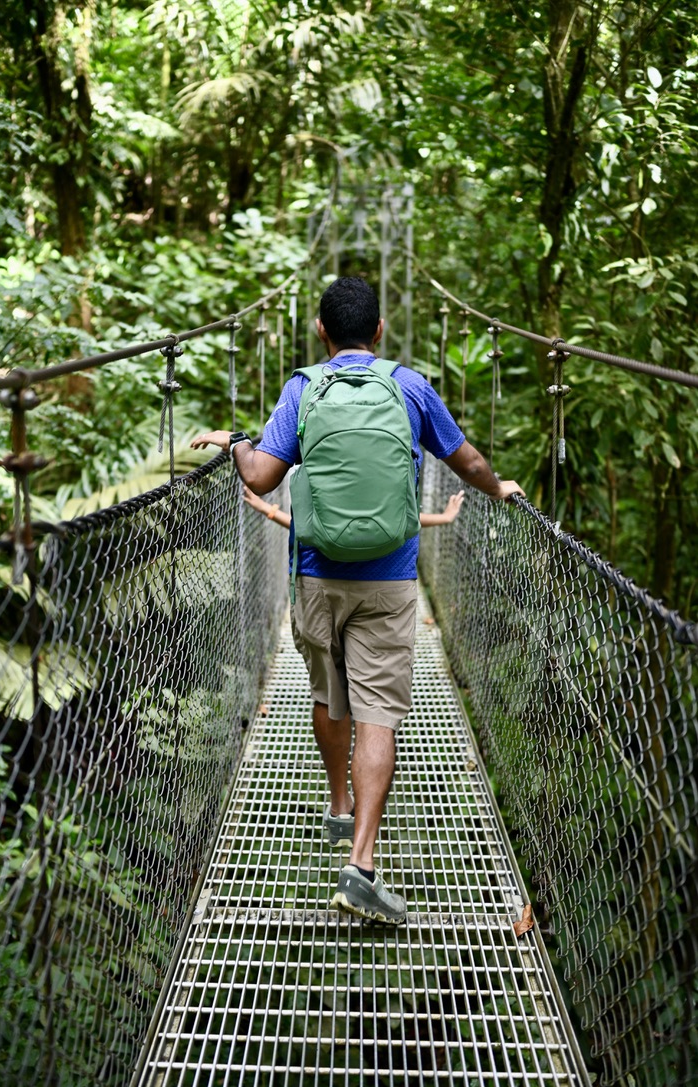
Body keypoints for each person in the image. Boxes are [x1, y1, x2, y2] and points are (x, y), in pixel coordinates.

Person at [191, 275, 524, 925]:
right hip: (391, 581)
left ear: (320, 332)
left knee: (326, 696)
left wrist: (236, 441)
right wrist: (494, 487)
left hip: (316, 575)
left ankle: (337, 804)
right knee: (377, 714)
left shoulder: (301, 388)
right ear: (378, 332)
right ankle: (362, 866)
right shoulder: (409, 385)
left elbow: (259, 473)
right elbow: (466, 459)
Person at [242, 485, 465, 530]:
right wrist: (444, 518)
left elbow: (303, 526)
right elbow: (402, 519)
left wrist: (266, 509)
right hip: (382, 579)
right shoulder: (379, 486)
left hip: (321, 579)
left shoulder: (328, 485)